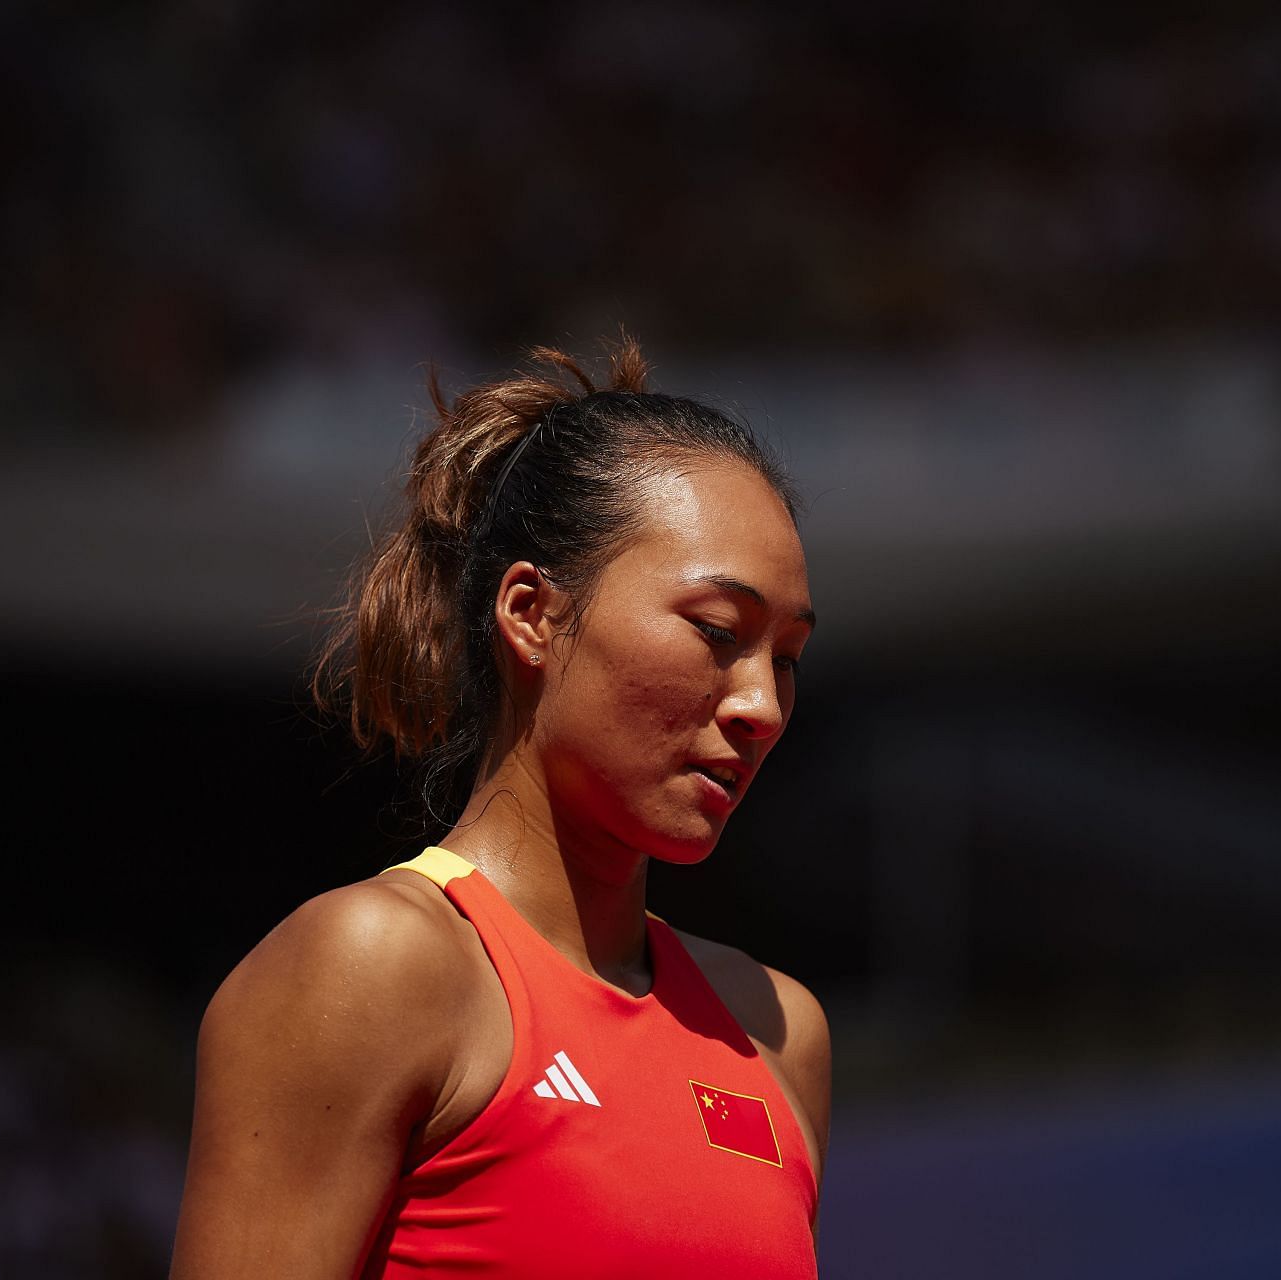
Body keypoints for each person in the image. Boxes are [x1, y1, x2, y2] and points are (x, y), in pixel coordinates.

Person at [168, 337, 828, 1278]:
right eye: (719, 633)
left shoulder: (778, 1030)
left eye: (789, 658)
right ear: (532, 613)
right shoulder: (371, 969)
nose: (761, 705)